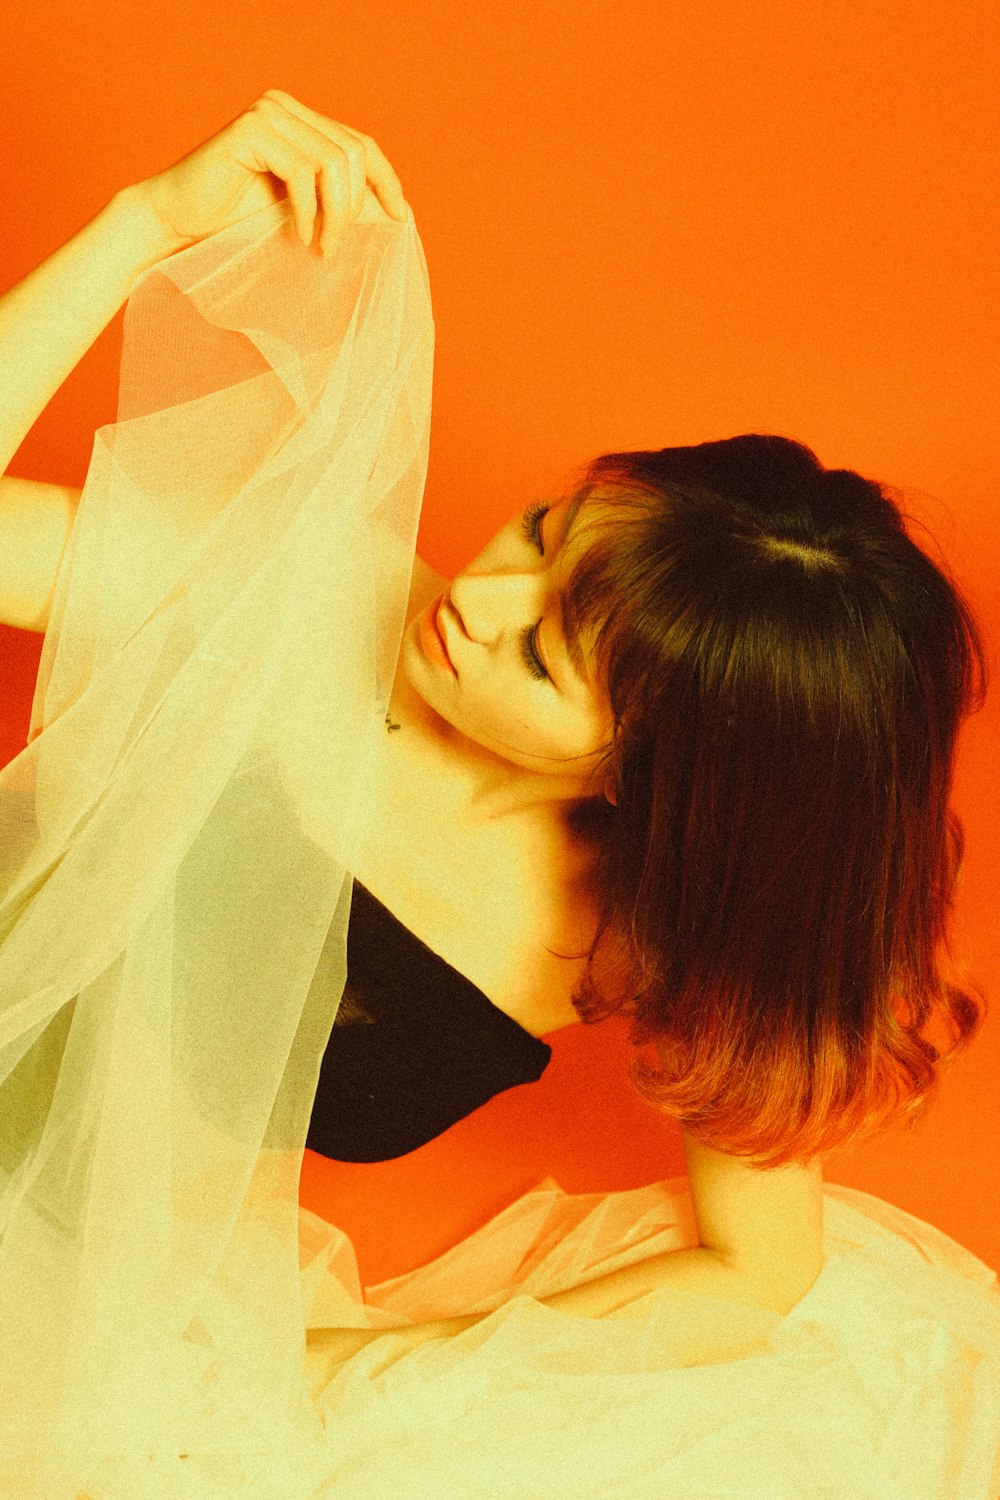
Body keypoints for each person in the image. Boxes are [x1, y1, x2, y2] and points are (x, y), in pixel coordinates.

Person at [1, 90, 999, 1500]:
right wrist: (137, 229)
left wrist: (382, 1373)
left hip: (81, 1326)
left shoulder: (637, 933)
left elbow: (760, 1273)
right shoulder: (293, 605)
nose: (480, 594)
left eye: (543, 651)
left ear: (657, 768)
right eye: (543, 530)